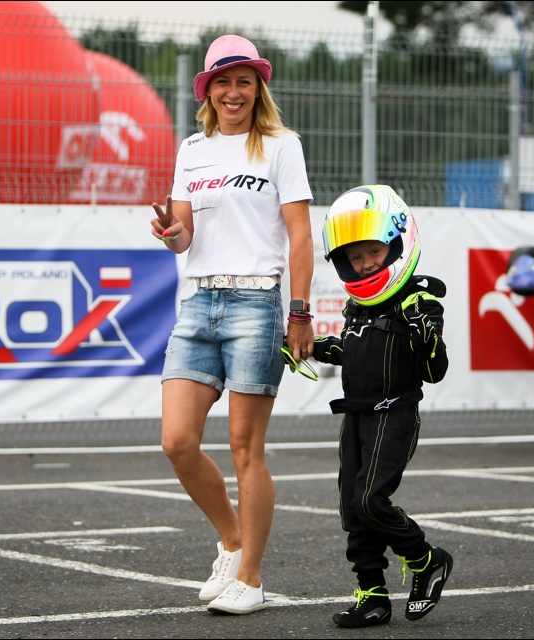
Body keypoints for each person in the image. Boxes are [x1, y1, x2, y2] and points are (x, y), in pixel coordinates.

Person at [149, 34, 314, 615]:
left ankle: (252, 578)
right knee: (177, 443)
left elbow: (300, 234)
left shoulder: (281, 146)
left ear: (258, 88)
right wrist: (171, 233)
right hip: (197, 304)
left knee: (246, 448)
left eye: (244, 81)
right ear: (208, 90)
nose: (234, 92)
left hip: (256, 303)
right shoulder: (192, 149)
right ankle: (233, 541)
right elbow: (184, 238)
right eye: (223, 81)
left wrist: (300, 311)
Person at [304, 184, 453, 628]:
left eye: (373, 251)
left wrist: (425, 334)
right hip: (357, 413)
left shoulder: (418, 301)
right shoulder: (357, 307)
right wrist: (311, 347)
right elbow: (354, 352)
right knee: (352, 509)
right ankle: (372, 596)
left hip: (395, 413)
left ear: (397, 243)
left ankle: (426, 559)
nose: (366, 262)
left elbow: (435, 370)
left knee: (371, 500)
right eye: (356, 256)